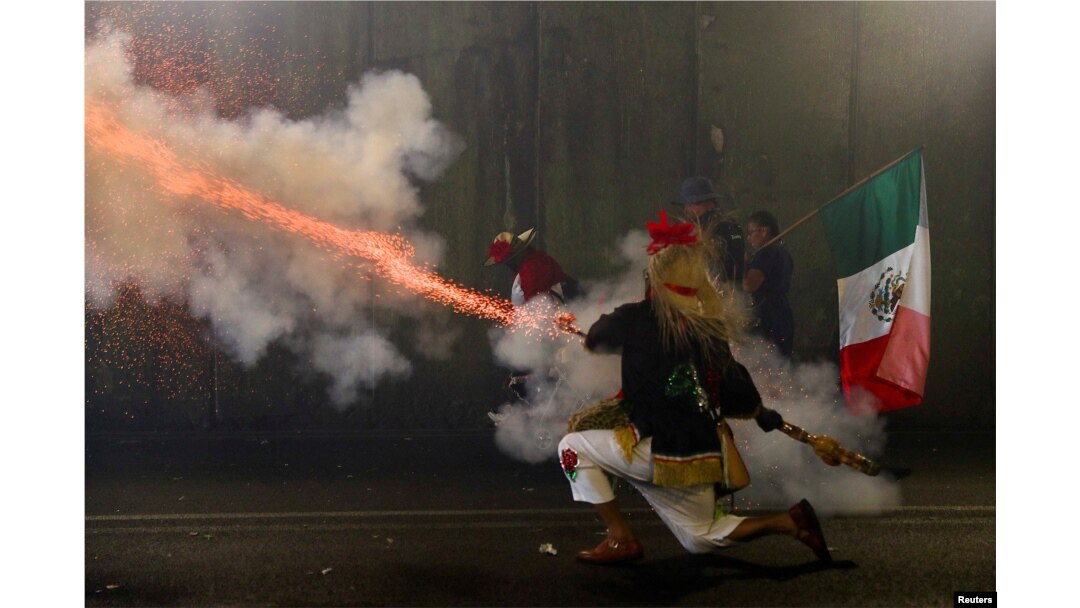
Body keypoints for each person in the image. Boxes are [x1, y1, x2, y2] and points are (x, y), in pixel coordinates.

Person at [556, 211, 831, 565]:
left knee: (572, 447)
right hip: (703, 458)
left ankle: (619, 537)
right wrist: (765, 416)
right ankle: (789, 522)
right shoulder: (710, 332)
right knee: (699, 539)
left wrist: (591, 335)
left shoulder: (638, 317)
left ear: (654, 278)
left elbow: (597, 338)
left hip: (658, 451)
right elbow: (739, 392)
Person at [484, 228, 579, 423]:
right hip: (540, 327)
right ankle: (531, 409)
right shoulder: (530, 266)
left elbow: (539, 306)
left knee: (528, 364)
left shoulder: (533, 268)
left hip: (548, 328)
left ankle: (530, 411)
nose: (507, 266)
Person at [672, 176, 745, 287]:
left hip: (721, 296)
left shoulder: (721, 227)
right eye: (685, 205)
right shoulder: (727, 223)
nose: (686, 209)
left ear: (707, 203)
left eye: (690, 204)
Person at [743, 210, 795, 357]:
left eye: (751, 232)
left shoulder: (766, 253)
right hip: (782, 312)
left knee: (766, 363)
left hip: (767, 314)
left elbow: (750, 285)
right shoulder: (783, 253)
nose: (748, 237)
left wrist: (744, 264)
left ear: (764, 231)